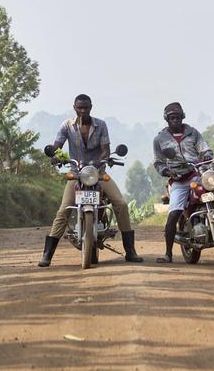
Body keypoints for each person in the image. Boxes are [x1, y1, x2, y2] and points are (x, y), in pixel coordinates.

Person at [38, 94, 142, 267]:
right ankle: (47, 255)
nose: (83, 110)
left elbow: (105, 149)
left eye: (86, 107)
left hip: (98, 173)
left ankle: (130, 251)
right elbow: (57, 144)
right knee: (64, 210)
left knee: (121, 204)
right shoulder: (67, 126)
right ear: (74, 107)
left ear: (91, 107)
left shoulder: (100, 125)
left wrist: (101, 160)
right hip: (77, 174)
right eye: (80, 107)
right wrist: (55, 154)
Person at [152, 102, 214, 263]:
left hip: (199, 173)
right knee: (173, 214)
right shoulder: (160, 139)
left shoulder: (192, 132)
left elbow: (205, 149)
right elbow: (158, 163)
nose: (175, 120)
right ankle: (168, 254)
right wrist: (169, 172)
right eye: (171, 117)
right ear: (167, 119)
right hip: (179, 179)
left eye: (178, 116)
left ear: (183, 116)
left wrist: (207, 159)